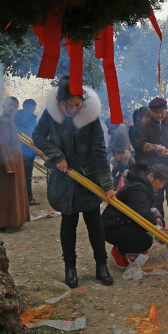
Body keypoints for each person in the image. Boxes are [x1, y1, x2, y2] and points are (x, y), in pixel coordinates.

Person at [32, 76, 116, 287]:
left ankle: (101, 265)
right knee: (68, 224)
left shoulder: (90, 116)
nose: (74, 109)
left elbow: (99, 150)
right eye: (69, 105)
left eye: (78, 105)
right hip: (64, 179)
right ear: (60, 101)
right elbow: (38, 136)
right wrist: (57, 155)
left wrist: (107, 185)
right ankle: (70, 268)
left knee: (94, 224)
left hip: (88, 178)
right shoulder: (50, 114)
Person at [104, 162, 168, 267]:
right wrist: (166, 240)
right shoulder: (138, 187)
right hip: (112, 226)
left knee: (153, 226)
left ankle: (131, 248)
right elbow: (144, 213)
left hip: (123, 222)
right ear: (151, 176)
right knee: (145, 241)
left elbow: (148, 206)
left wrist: (157, 217)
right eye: (161, 182)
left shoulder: (144, 186)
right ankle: (118, 250)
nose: (161, 186)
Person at [139, 97, 168, 239]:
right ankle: (159, 229)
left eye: (161, 112)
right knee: (156, 199)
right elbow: (141, 144)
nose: (159, 115)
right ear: (151, 112)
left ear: (166, 109)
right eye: (155, 113)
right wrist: (155, 148)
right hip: (155, 169)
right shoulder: (146, 124)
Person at [0, 97, 30, 233]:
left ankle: (14, 221)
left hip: (14, 161)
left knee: (13, 193)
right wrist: (8, 164)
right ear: (4, 106)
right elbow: (1, 143)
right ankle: (3, 222)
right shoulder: (0, 121)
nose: (12, 108)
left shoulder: (11, 121)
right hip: (5, 163)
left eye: (15, 106)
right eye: (10, 105)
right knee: (3, 193)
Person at [15, 98, 40, 205]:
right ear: (32, 107)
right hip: (27, 152)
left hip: (16, 151)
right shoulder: (30, 117)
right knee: (27, 177)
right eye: (34, 107)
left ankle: (17, 199)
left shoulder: (15, 116)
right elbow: (33, 135)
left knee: (17, 176)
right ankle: (29, 199)